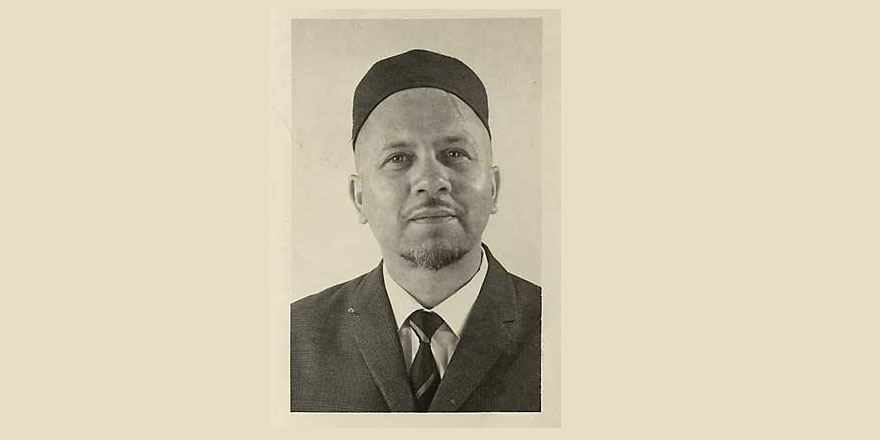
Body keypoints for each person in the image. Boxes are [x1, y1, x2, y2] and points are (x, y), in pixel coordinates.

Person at [290, 49, 541, 412]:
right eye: (398, 158)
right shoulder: (291, 339)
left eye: (454, 153)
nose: (430, 181)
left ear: (493, 188)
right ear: (359, 197)